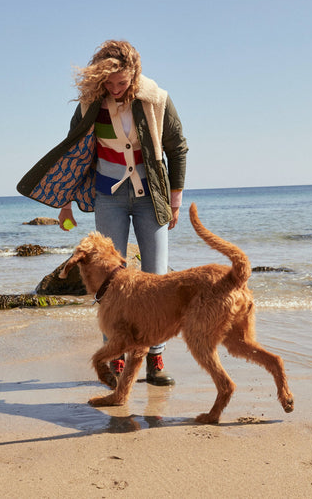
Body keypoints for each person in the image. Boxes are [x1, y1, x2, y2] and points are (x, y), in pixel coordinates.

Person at [17, 40, 188, 387]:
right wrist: (64, 202)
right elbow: (73, 154)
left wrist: (175, 198)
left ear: (134, 75)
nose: (114, 89)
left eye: (121, 83)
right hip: (107, 196)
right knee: (111, 284)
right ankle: (116, 359)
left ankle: (155, 358)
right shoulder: (90, 105)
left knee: (155, 278)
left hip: (149, 197)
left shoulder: (156, 99)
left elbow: (177, 147)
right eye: (108, 83)